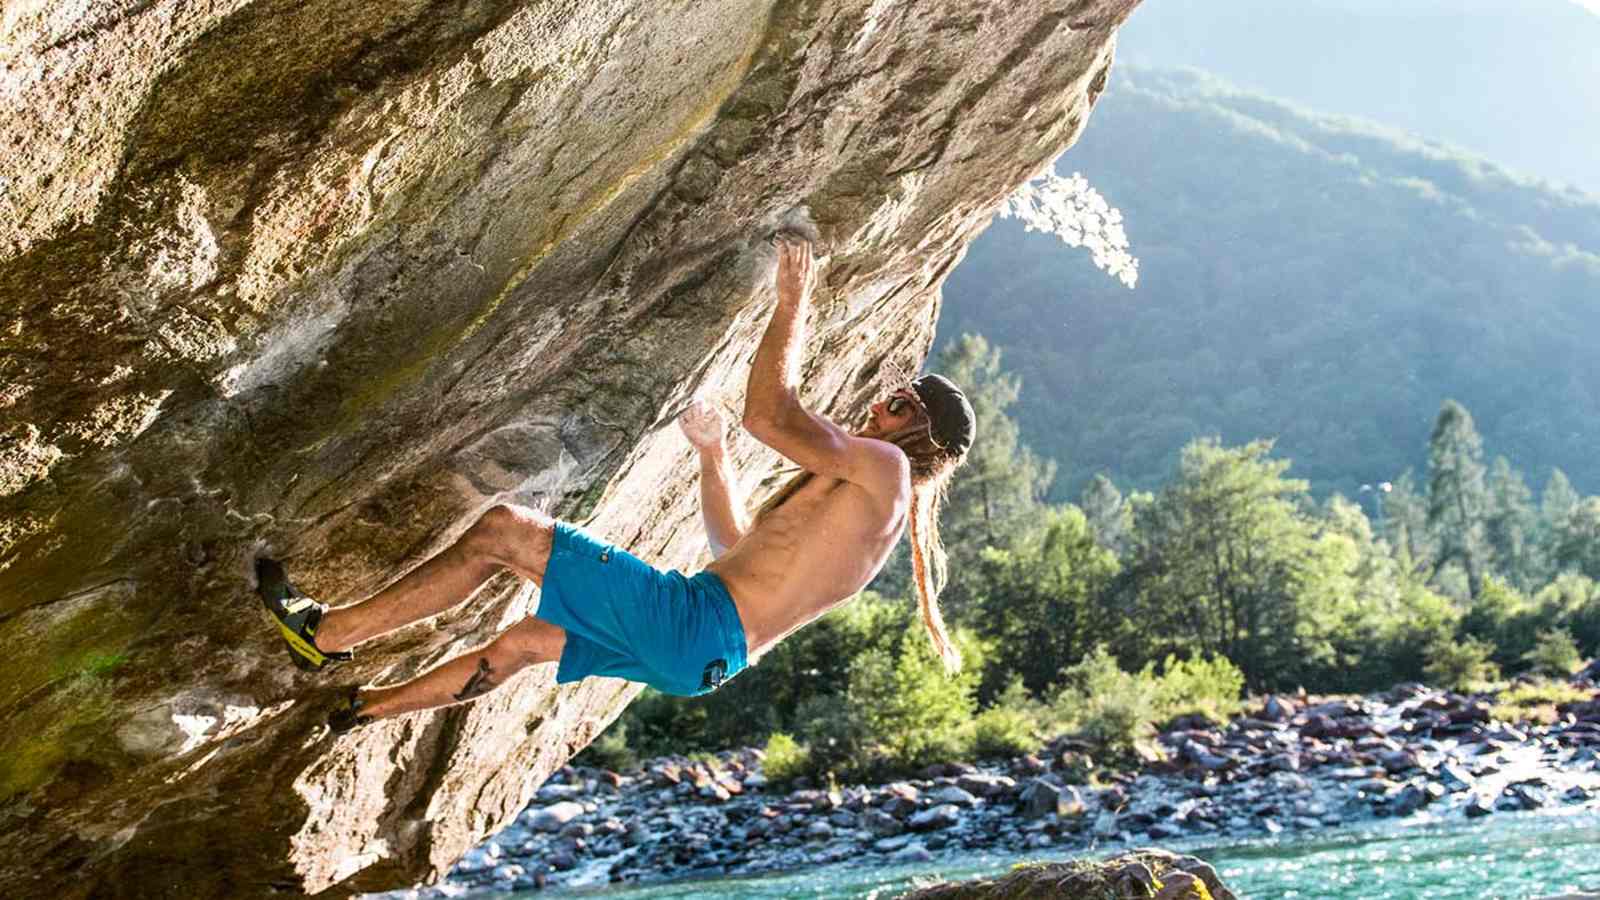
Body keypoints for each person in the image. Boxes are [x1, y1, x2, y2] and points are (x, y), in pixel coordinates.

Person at [258, 235, 975, 733]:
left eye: (901, 406)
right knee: (525, 643)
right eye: (891, 394)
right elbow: (737, 547)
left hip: (692, 623)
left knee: (507, 532)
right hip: (701, 658)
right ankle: (370, 710)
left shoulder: (885, 468)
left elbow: (772, 413)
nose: (880, 406)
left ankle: (327, 634)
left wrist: (792, 303)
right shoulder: (866, 507)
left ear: (924, 440)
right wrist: (712, 456)